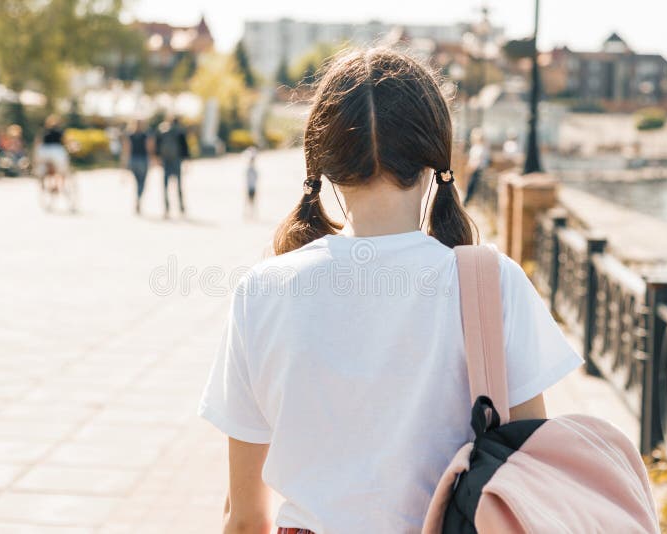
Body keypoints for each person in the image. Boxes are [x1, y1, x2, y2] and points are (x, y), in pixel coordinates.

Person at [198, 48, 583, 534]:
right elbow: (530, 476)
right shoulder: (492, 282)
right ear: (436, 158)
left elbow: (246, 517)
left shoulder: (262, 291)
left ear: (324, 163)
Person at [156, 117, 189, 217]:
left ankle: (166, 207)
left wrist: (158, 158)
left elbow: (158, 145)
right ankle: (181, 206)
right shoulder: (180, 132)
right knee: (179, 185)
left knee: (165, 185)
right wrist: (187, 161)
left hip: (166, 161)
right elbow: (185, 147)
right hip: (176, 160)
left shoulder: (163, 131)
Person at [122, 120, 152, 214]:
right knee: (142, 182)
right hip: (143, 160)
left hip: (133, 160)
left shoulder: (130, 135)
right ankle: (139, 198)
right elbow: (149, 148)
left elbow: (126, 150)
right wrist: (152, 159)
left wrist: (124, 163)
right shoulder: (145, 135)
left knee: (137, 182)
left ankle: (138, 198)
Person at [36, 115, 70, 193]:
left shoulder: (44, 132)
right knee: (62, 170)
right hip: (57, 151)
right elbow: (66, 141)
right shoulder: (59, 131)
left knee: (44, 168)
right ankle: (59, 186)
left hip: (44, 151)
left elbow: (38, 142)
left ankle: (43, 183)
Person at [463, 127, 490, 206]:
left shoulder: (482, 148)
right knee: (470, 185)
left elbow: (478, 161)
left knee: (472, 186)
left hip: (477, 170)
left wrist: (471, 168)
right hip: (473, 169)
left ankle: (467, 201)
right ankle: (468, 201)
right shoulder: (476, 147)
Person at [244, 146, 258, 218]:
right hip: (250, 187)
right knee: (248, 201)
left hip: (252, 187)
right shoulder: (250, 169)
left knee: (252, 201)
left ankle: (251, 214)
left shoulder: (252, 169)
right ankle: (248, 214)